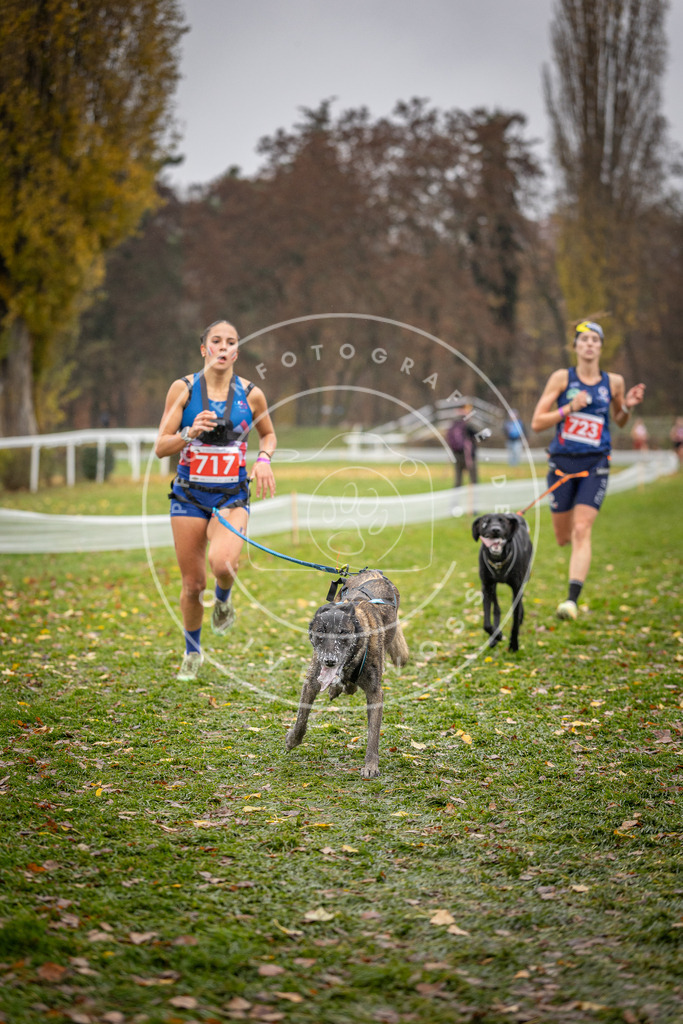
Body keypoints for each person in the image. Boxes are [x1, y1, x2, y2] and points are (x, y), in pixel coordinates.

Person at [155, 319, 276, 680]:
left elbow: (268, 435)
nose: (224, 347)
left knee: (222, 564)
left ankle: (224, 601)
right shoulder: (185, 389)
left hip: (232, 496)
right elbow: (161, 446)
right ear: (204, 348)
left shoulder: (251, 394)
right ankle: (192, 652)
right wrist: (189, 433)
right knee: (193, 585)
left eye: (231, 342)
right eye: (216, 341)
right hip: (189, 496)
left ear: (237, 351)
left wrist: (264, 458)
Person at [530, 320, 645, 621]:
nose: (590, 344)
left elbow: (619, 420)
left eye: (596, 339)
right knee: (563, 537)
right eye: (585, 339)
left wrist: (628, 406)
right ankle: (570, 574)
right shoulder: (561, 378)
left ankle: (571, 600)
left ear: (601, 346)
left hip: (596, 464)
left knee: (583, 530)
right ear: (576, 346)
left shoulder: (614, 382)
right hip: (562, 464)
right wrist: (570, 408)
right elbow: (537, 422)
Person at [446, 404, 478, 489]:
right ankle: (475, 496)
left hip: (456, 453)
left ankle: (455, 498)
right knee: (473, 477)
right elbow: (478, 435)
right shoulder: (467, 425)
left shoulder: (454, 424)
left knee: (458, 478)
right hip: (468, 454)